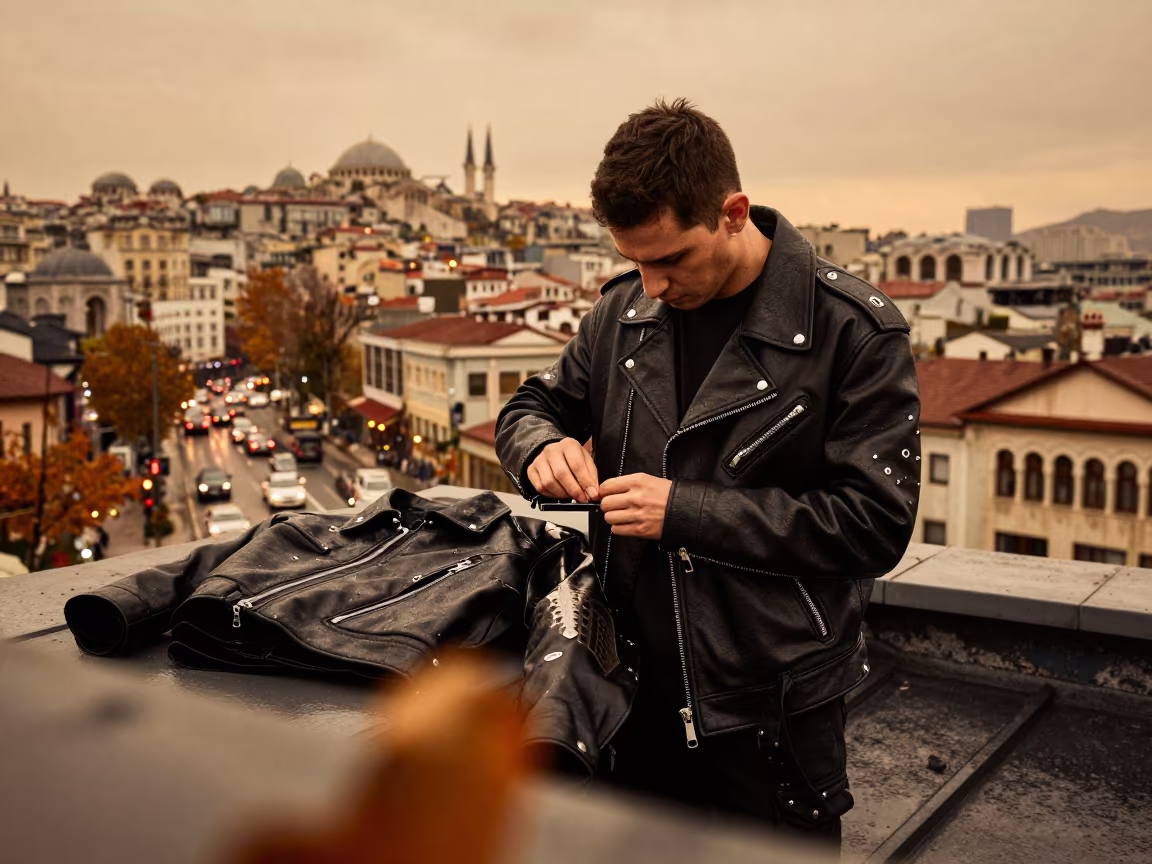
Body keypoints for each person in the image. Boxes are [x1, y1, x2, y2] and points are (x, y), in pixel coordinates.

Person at [495, 98, 920, 855]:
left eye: (670, 260)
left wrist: (685, 512)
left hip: (768, 714)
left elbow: (874, 522)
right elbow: (532, 405)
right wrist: (537, 447)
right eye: (635, 263)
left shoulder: (852, 331)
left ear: (733, 212)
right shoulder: (619, 314)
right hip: (625, 693)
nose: (652, 286)